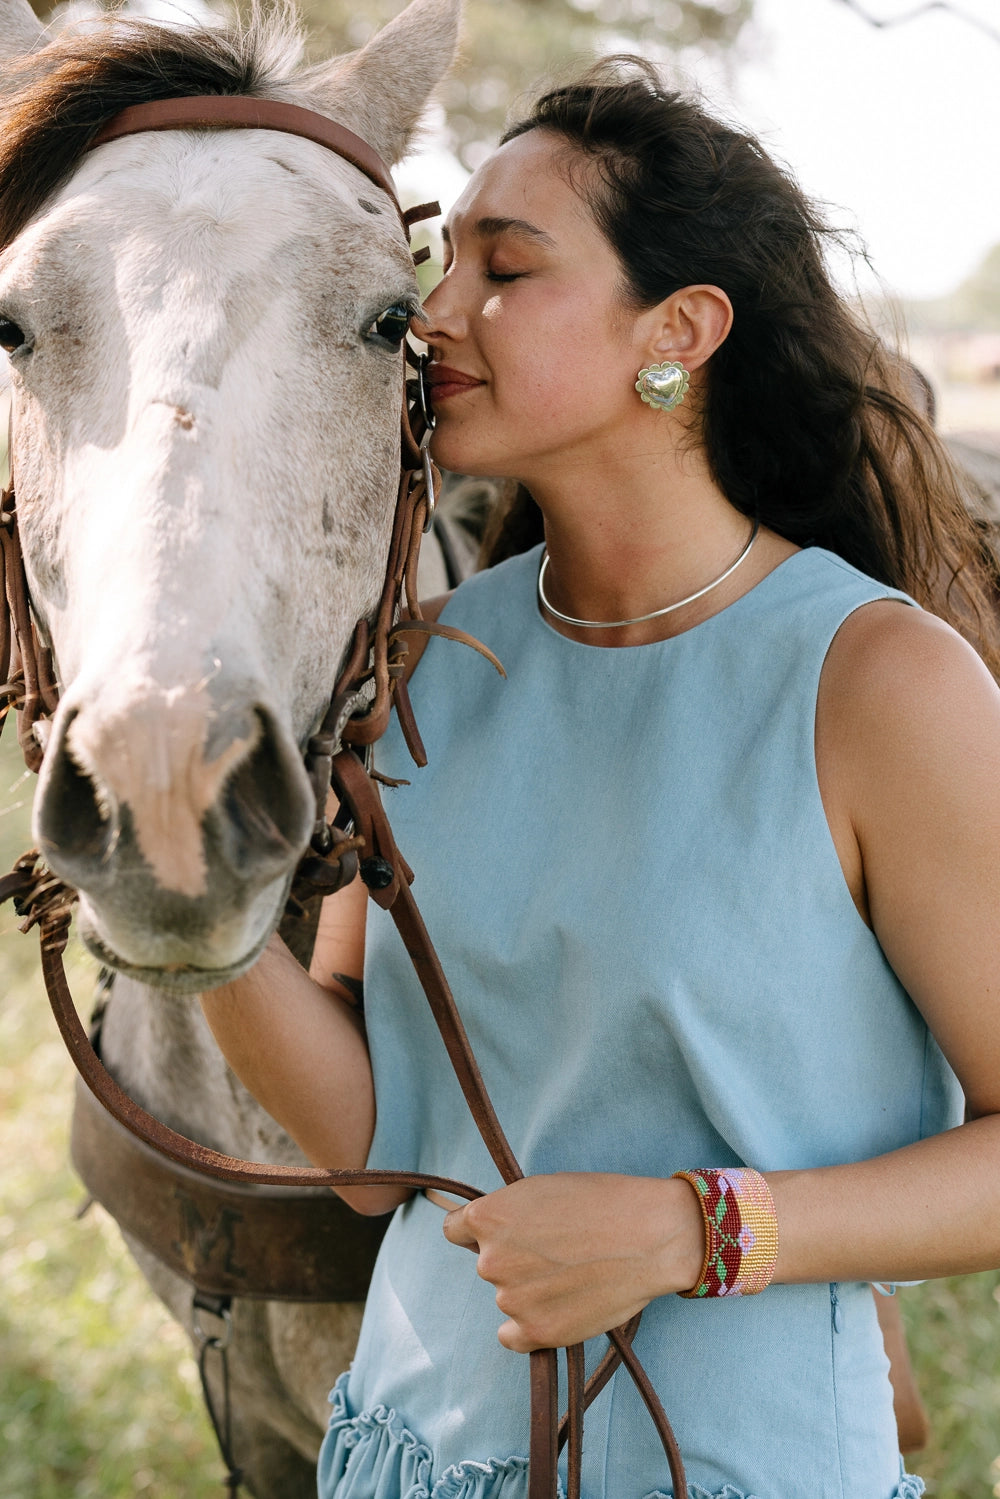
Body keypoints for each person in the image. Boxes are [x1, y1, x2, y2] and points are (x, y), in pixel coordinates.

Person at [201, 59, 1000, 1499]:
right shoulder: (413, 668)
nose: (434, 314)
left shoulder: (881, 685)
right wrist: (193, 916)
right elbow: (376, 1155)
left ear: (679, 331)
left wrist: (694, 1232)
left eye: (505, 270)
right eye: (443, 266)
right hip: (406, 1453)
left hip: (740, 1467)